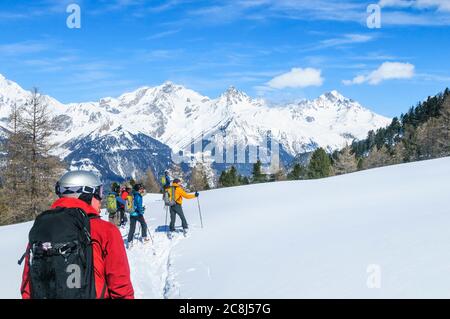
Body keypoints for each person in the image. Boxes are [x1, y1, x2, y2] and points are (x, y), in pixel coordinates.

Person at [20, 170, 134, 299]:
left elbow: (28, 285)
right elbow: (120, 287)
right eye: (99, 193)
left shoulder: (42, 227)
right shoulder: (106, 230)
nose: (101, 200)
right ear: (85, 195)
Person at [127, 183, 150, 249]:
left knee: (132, 228)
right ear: (138, 189)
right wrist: (142, 211)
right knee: (144, 225)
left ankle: (129, 241)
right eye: (141, 188)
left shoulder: (132, 194)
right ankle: (144, 238)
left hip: (132, 213)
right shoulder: (138, 196)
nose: (142, 190)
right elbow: (139, 206)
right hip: (138, 214)